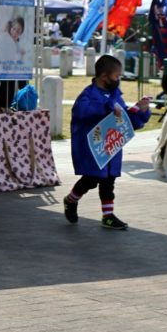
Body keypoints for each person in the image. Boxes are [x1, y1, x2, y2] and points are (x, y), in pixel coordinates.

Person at [63, 55, 151, 230]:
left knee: (109, 182)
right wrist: (107, 108)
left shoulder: (115, 95)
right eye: (116, 76)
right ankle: (71, 200)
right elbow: (83, 113)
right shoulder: (88, 95)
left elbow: (125, 119)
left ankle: (108, 216)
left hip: (112, 146)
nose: (119, 79)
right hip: (94, 149)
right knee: (91, 179)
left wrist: (141, 111)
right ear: (104, 76)